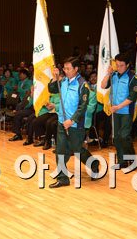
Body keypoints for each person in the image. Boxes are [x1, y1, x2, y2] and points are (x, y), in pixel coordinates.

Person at [48, 57, 99, 188]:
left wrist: (71, 121)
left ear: (76, 69)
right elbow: (52, 88)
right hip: (61, 121)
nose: (65, 71)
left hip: (75, 124)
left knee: (77, 150)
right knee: (60, 150)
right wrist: (55, 77)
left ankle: (93, 164)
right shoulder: (63, 80)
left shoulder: (83, 85)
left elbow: (83, 107)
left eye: (68, 69)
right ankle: (63, 178)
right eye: (64, 68)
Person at [101, 53, 137, 168]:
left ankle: (132, 158)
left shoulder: (133, 78)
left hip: (126, 111)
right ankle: (122, 160)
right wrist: (108, 73)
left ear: (127, 65)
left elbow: (131, 98)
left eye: (121, 65)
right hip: (115, 111)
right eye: (117, 65)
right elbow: (103, 86)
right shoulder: (114, 75)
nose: (119, 68)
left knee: (124, 136)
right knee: (116, 137)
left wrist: (118, 107)